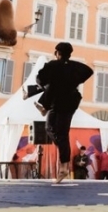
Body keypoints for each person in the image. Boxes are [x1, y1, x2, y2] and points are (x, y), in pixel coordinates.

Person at [23, 42, 93, 183]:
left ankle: (64, 167)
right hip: (68, 101)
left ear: (57, 53)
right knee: (53, 131)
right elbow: (89, 71)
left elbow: (40, 79)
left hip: (59, 102)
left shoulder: (53, 65)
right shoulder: (74, 66)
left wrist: (49, 82)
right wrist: (74, 80)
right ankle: (44, 109)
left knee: (59, 133)